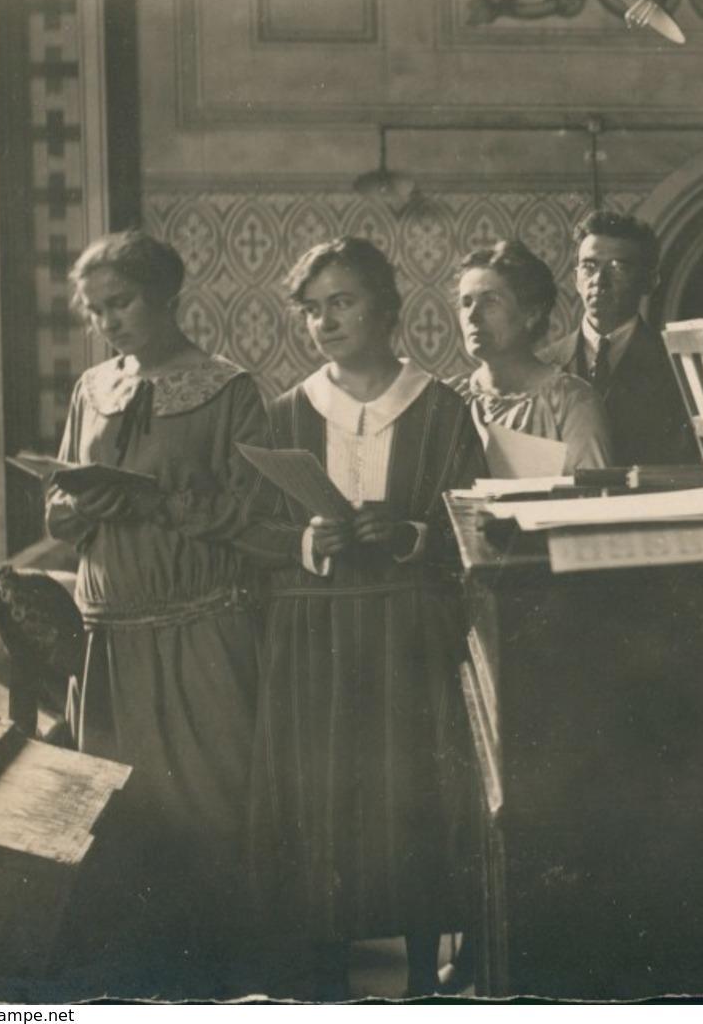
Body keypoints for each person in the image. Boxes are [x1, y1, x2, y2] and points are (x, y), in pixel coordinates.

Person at [244, 237, 488, 998]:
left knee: (408, 792)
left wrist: (416, 535)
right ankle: (321, 978)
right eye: (311, 309)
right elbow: (250, 528)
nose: (324, 321)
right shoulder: (286, 412)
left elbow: (477, 520)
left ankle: (422, 975)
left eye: (341, 302)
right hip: (311, 634)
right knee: (319, 798)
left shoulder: (442, 408)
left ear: (388, 308)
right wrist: (304, 540)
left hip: (405, 632)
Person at [46, 230, 266, 989]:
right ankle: (139, 981)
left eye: (123, 303)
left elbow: (249, 510)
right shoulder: (90, 388)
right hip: (107, 637)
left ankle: (223, 979)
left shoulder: (230, 387)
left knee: (210, 806)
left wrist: (154, 500)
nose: (109, 322)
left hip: (199, 626)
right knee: (121, 813)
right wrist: (72, 508)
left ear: (167, 295)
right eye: (97, 309)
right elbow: (58, 505)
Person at [540, 210, 698, 466]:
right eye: (589, 267)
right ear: (575, 278)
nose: (599, 281)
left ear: (649, 280)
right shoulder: (543, 365)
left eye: (618, 268)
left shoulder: (679, 366)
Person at [449, 240, 612, 476]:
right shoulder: (449, 398)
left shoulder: (572, 402)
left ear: (531, 314)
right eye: (466, 303)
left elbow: (595, 502)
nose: (472, 316)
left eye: (490, 301)